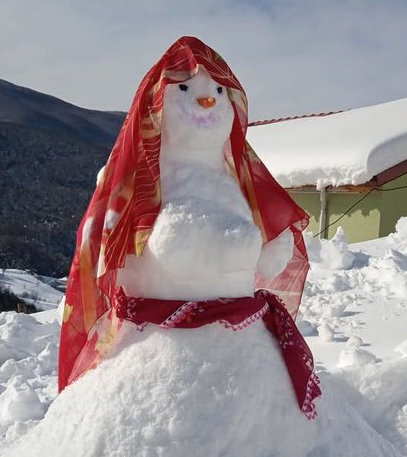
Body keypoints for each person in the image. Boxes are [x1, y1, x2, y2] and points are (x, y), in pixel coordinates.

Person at [58, 36, 315, 412]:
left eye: (218, 90)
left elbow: (263, 251)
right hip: (159, 352)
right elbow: (160, 248)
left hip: (242, 346)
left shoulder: (232, 181)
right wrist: (222, 248)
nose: (208, 99)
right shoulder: (141, 185)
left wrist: (267, 247)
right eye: (184, 88)